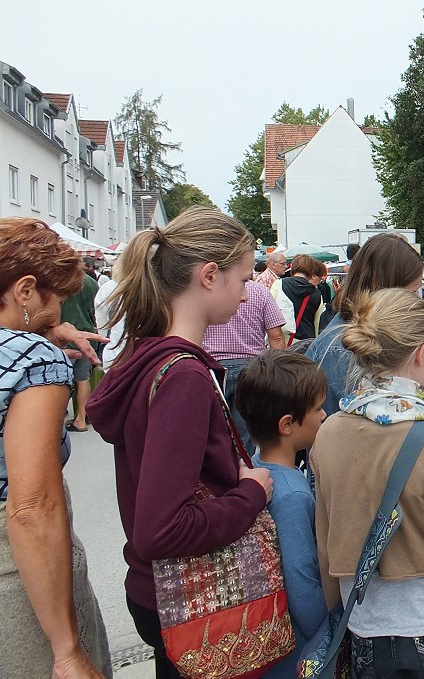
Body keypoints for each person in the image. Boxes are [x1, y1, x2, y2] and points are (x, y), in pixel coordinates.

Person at [87, 207, 274, 679]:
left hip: (158, 594)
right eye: (244, 278)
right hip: (187, 597)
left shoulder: (148, 356)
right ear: (209, 276)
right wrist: (251, 493)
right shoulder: (184, 376)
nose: (248, 292)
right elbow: (161, 529)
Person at [311, 288, 424, 679]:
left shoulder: (327, 435)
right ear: (421, 354)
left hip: (361, 626)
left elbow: (325, 548)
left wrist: (336, 616)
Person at [0, 217, 111, 678]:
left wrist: (44, 328)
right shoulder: (35, 359)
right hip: (16, 573)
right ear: (25, 290)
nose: (61, 314)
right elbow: (30, 505)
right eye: (58, 300)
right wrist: (65, 649)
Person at [234, 351, 328, 679]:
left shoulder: (255, 470)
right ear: (287, 424)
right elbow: (300, 577)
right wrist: (327, 626)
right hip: (295, 652)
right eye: (317, 409)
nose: (324, 415)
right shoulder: (293, 494)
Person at [306, 233, 424, 416]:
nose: (415, 302)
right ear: (389, 289)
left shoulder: (357, 334)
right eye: (412, 293)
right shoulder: (345, 349)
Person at [202, 279, 288, 454]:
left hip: (213, 367)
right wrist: (278, 371)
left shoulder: (207, 291)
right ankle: (245, 471)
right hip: (251, 368)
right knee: (247, 432)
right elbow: (276, 337)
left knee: (213, 429)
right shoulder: (260, 292)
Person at [59, 265, 99, 433]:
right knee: (83, 379)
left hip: (65, 334)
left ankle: (58, 419)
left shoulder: (61, 279)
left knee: (61, 381)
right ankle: (81, 418)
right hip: (87, 335)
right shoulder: (91, 282)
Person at [273, 254, 324, 343]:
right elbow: (317, 323)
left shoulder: (279, 284)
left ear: (293, 268)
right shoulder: (316, 293)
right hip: (306, 342)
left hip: (283, 340)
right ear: (312, 270)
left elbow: (269, 313)